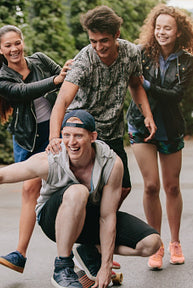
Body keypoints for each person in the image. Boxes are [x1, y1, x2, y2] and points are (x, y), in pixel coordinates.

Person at [0, 110, 161, 288]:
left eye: (78, 136)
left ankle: (90, 248)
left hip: (90, 218)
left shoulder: (111, 163)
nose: (71, 142)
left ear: (92, 137)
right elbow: (2, 175)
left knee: (151, 243)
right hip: (53, 219)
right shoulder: (49, 160)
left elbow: (107, 217)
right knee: (78, 191)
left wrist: (105, 265)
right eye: (66, 135)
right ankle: (63, 266)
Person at [46, 5, 157, 207]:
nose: (98, 47)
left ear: (116, 34)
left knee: (123, 187)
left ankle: (99, 224)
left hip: (112, 130)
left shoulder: (131, 53)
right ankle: (87, 227)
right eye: (93, 41)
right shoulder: (84, 60)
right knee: (88, 186)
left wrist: (147, 115)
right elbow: (62, 100)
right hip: (83, 131)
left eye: (104, 40)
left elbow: (135, 85)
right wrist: (55, 136)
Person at [126, 5, 193, 270]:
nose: (161, 32)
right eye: (158, 27)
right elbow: (131, 83)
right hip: (140, 125)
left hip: (170, 128)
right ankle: (156, 245)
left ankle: (176, 242)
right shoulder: (140, 54)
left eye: (167, 28)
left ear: (178, 31)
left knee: (172, 187)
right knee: (150, 186)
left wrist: (146, 83)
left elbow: (175, 95)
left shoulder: (188, 61)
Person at [0, 25, 71, 273]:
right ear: (0, 49)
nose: (14, 49)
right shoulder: (1, 79)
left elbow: (66, 80)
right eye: (8, 45)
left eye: (17, 43)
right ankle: (20, 254)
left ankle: (93, 249)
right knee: (29, 190)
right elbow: (23, 92)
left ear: (23, 42)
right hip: (27, 138)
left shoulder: (40, 60)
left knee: (71, 187)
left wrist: (66, 72)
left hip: (55, 130)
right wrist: (54, 80)